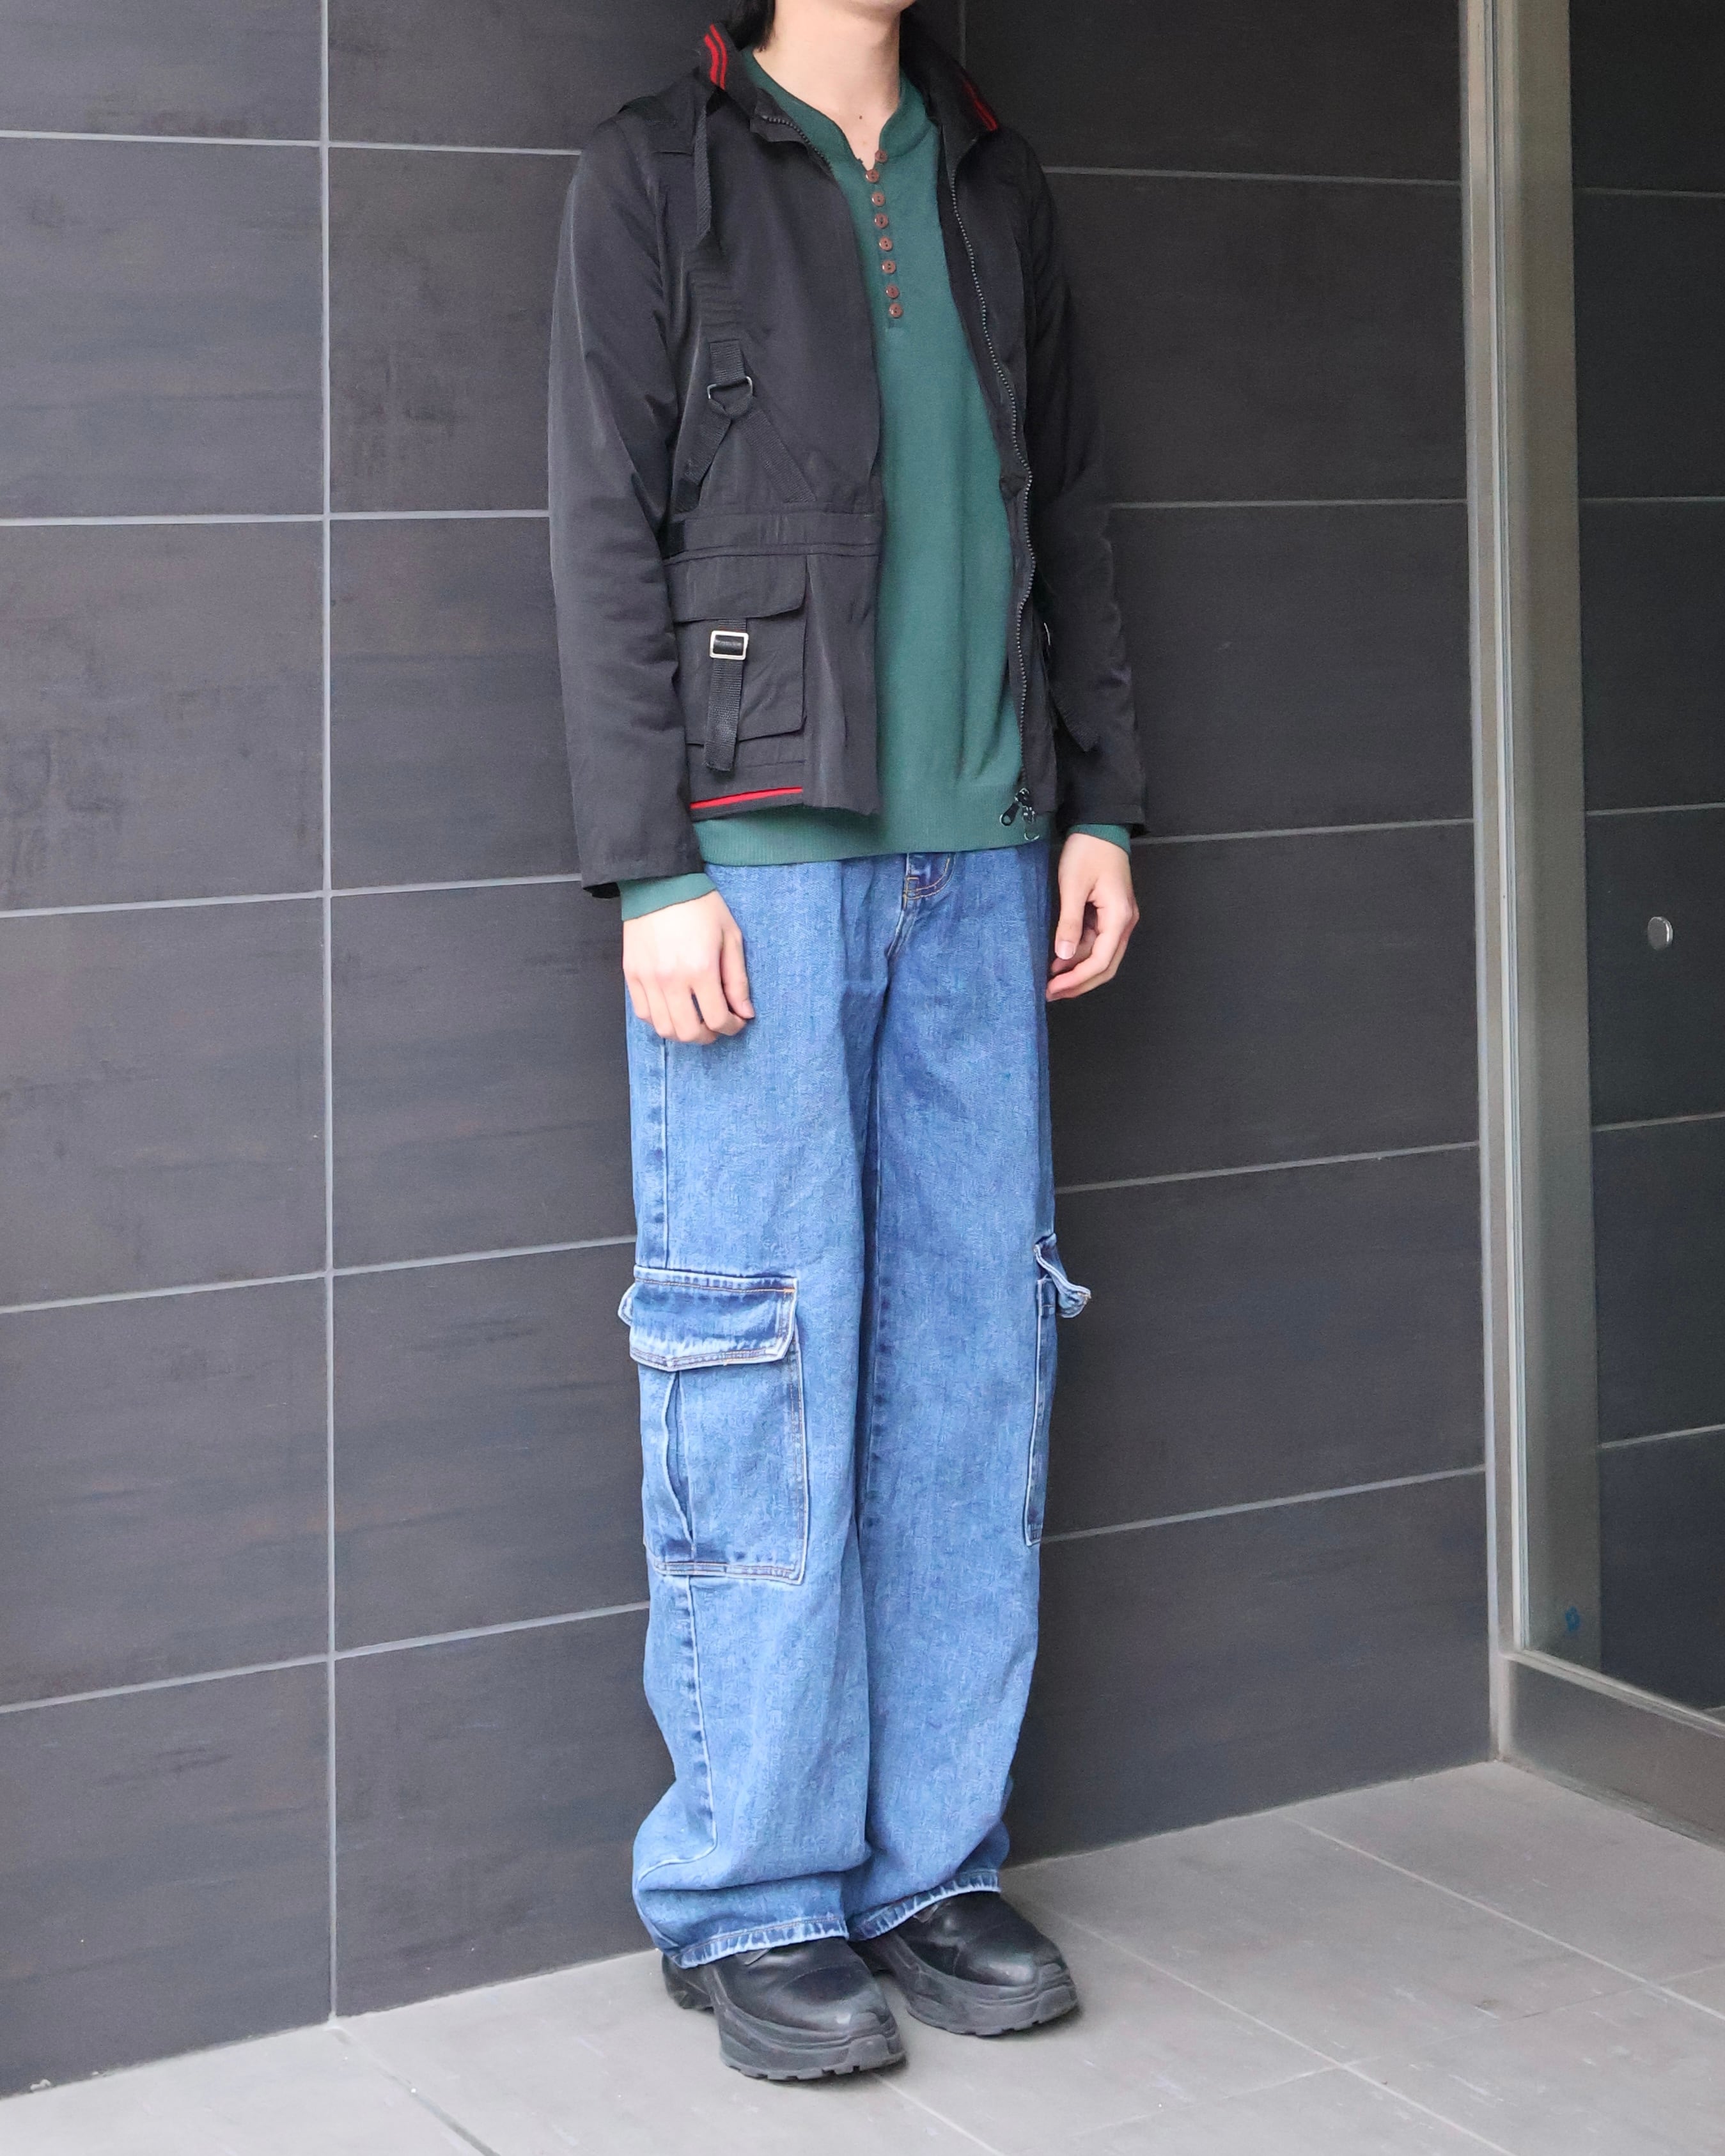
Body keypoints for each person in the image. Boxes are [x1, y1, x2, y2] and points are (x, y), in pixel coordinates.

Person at [549, 0, 1144, 2082]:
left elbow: (1070, 508)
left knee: (972, 1371)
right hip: (758, 869)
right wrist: (649, 869)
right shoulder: (660, 170)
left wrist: (1099, 806)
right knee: (762, 1368)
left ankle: (929, 1865)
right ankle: (754, 1892)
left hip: (984, 865)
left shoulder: (991, 172)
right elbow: (598, 526)